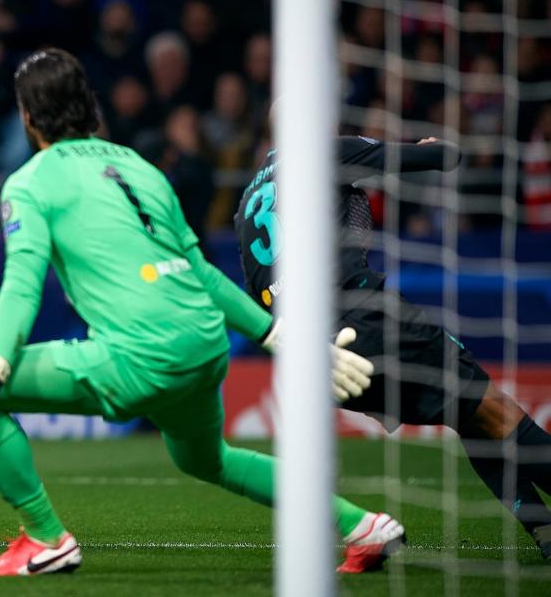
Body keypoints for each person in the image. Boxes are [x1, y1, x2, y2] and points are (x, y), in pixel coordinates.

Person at [0, 49, 400, 577]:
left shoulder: (29, 183)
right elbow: (199, 270)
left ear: (27, 116)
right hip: (206, 346)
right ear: (91, 107)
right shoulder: (140, 167)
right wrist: (276, 336)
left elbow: (21, 285)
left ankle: (46, 539)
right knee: (206, 459)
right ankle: (362, 526)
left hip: (140, 356)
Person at [234, 132, 551, 561]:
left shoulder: (246, 206)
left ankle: (541, 525)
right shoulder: (321, 148)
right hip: (366, 318)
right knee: (494, 410)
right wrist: (431, 145)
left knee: (470, 420)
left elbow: (259, 300)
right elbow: (442, 157)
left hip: (319, 360)